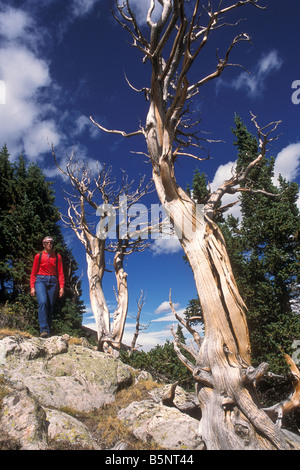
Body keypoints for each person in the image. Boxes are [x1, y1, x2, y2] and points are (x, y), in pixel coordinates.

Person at [30, 236, 65, 338]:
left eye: (51, 242)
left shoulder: (57, 257)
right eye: (47, 242)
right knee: (43, 302)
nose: (49, 244)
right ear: (44, 244)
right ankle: (43, 330)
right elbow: (33, 273)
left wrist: (62, 287)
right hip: (40, 280)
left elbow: (61, 273)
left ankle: (47, 332)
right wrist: (32, 286)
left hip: (53, 281)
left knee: (50, 306)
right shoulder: (39, 256)